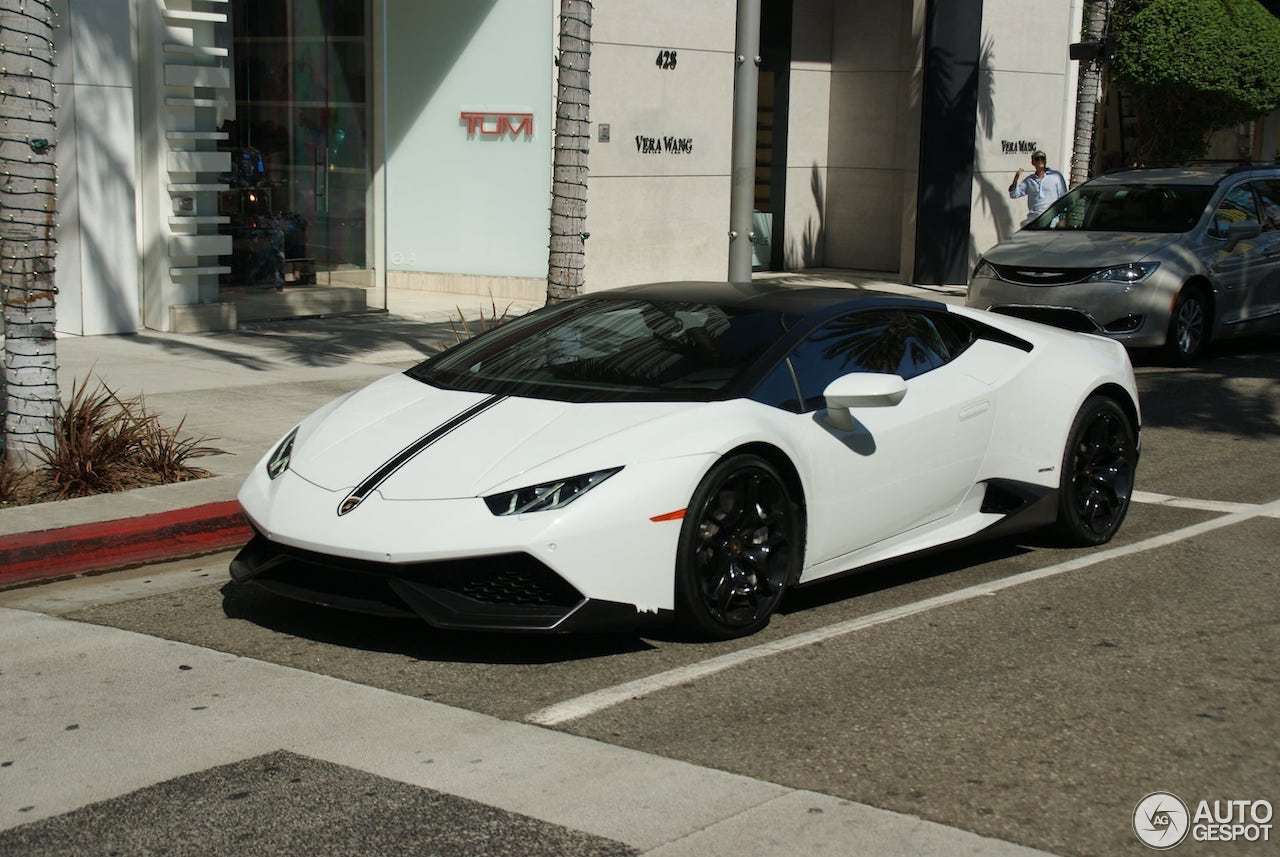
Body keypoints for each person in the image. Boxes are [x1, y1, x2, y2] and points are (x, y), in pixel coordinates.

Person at [1009, 150, 1068, 225]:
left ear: (1045, 160)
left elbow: (1063, 197)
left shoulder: (1056, 176)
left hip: (1052, 220)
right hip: (1033, 220)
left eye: (1042, 158)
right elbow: (1013, 194)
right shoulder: (1029, 180)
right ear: (1033, 162)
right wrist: (1016, 178)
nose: (1040, 160)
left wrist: (1063, 218)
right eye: (1037, 159)